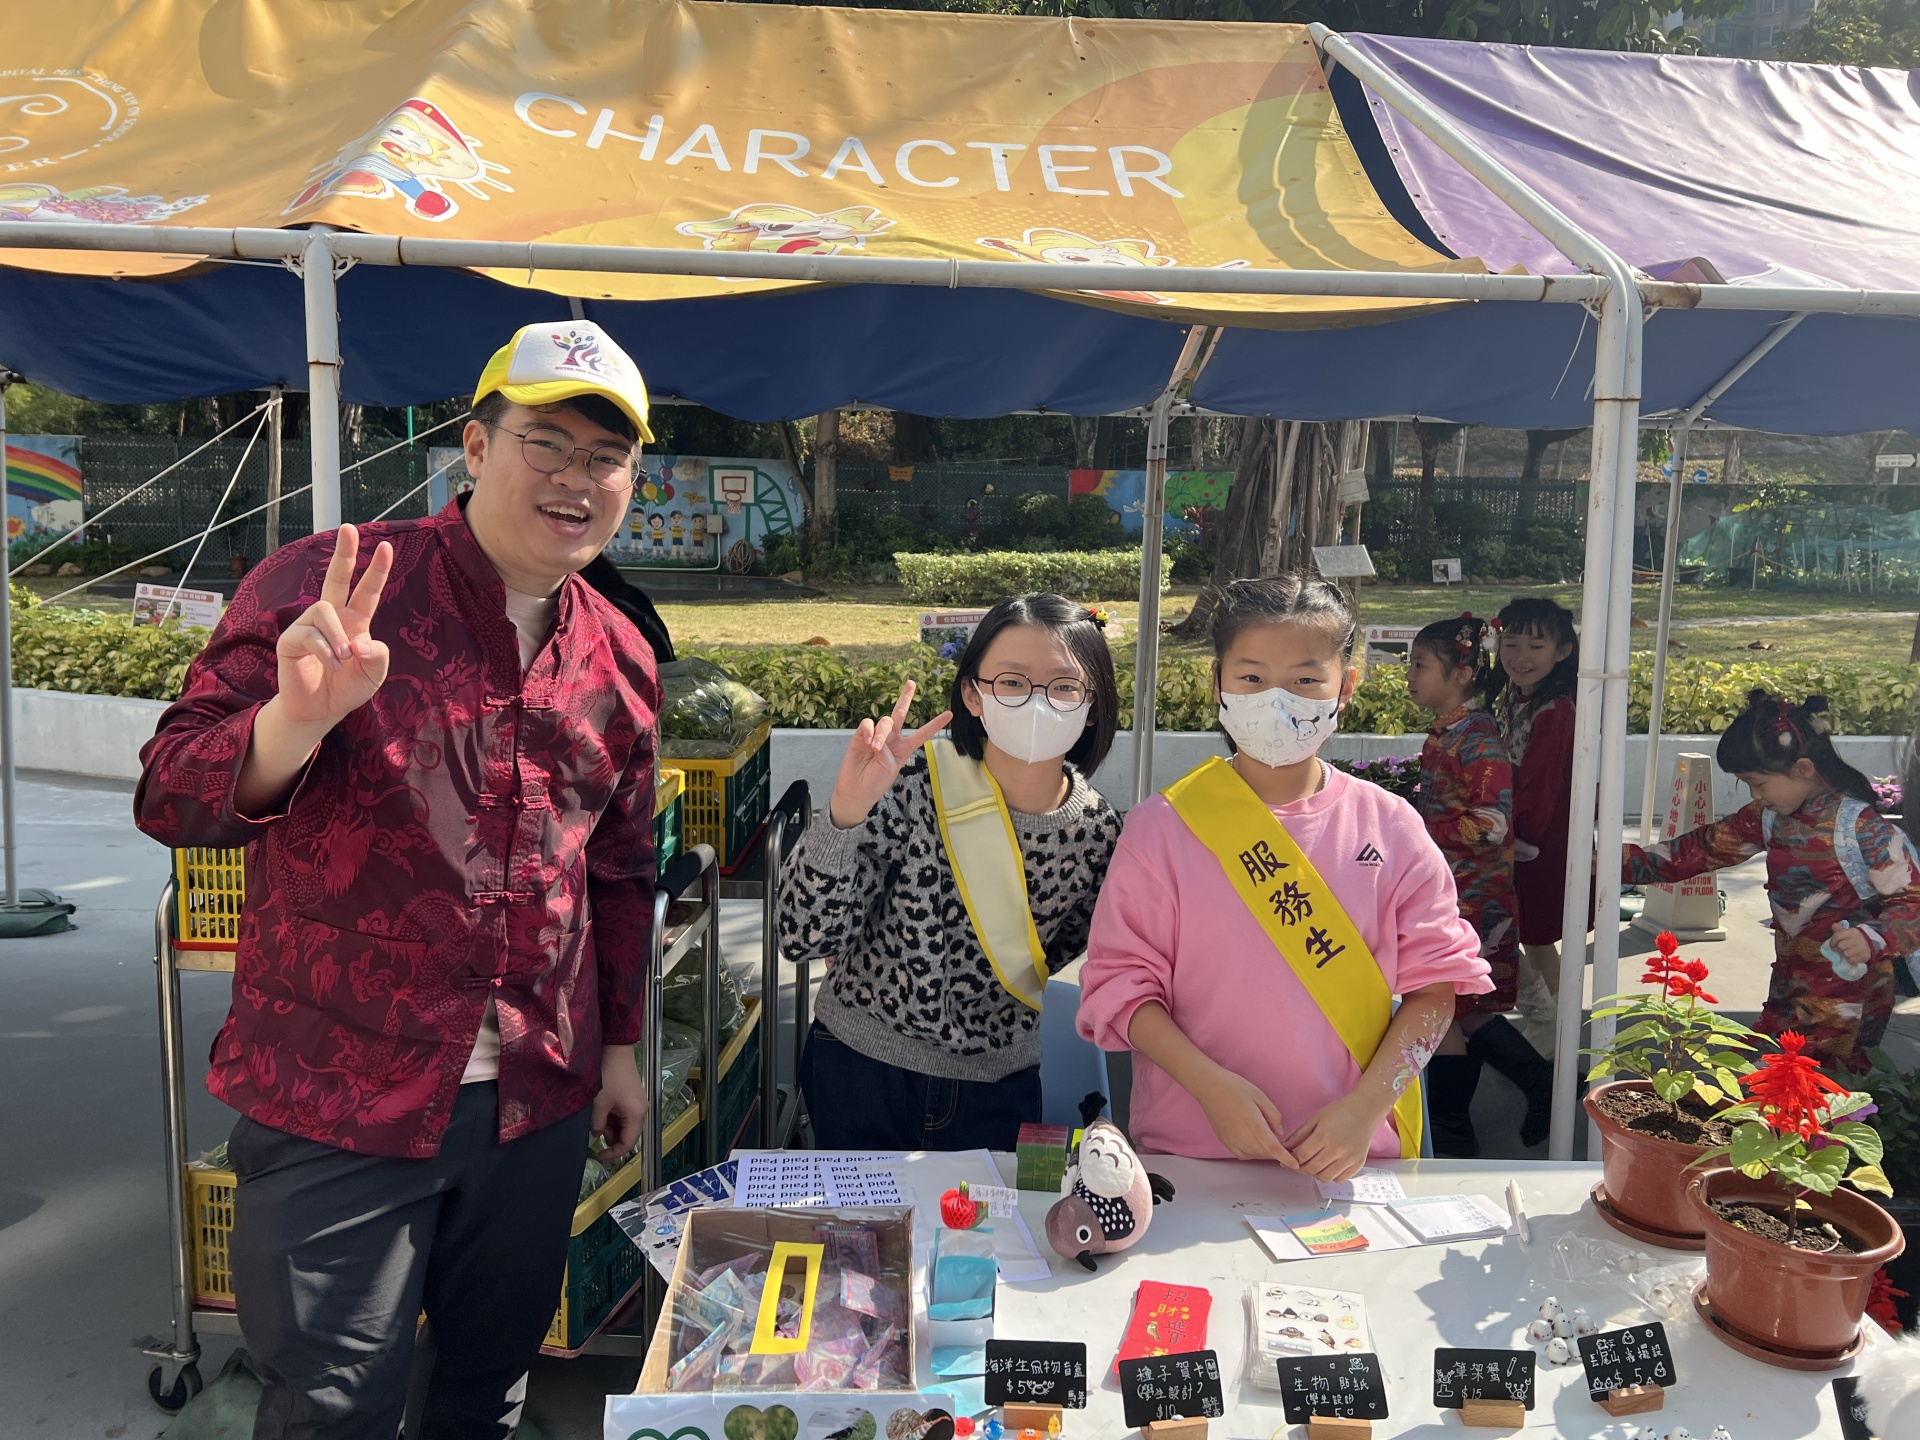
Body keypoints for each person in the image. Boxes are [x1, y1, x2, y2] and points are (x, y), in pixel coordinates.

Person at [134, 320, 662, 1440]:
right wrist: (292, 723)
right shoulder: (328, 587)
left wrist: (618, 1047)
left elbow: (618, 869)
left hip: (536, 1101)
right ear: (474, 447)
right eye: (547, 442)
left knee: (487, 1391)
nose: (575, 479)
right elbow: (171, 794)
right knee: (331, 1411)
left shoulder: (620, 653)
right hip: (337, 1095)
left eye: (605, 457)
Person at [1079, 576, 1490, 1182]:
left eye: (1303, 680)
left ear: (1345, 686)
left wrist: (1364, 1110)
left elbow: (1436, 991)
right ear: (1217, 682)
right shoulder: (1161, 829)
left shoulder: (1391, 825)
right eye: (1251, 677)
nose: (1276, 699)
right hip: (1191, 1154)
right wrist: (1209, 1087)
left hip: (1352, 1160)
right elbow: (1121, 986)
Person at [776, 594, 1123, 1152]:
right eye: (1012, 682)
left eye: (1063, 687)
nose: (1037, 703)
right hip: (862, 1067)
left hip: (999, 1086)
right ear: (972, 694)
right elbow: (801, 936)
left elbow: (1068, 961)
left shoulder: (1099, 832)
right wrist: (845, 813)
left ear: (1093, 704)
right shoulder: (909, 782)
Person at [1623, 690, 1920, 1071]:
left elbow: (1912, 903)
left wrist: (1872, 937)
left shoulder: (1864, 830)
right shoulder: (1767, 818)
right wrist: (1617, 864)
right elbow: (1699, 850)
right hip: (1787, 987)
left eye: (1758, 783)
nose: (1755, 795)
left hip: (1850, 1000)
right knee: (1771, 1073)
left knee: (1823, 1082)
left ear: (1804, 769)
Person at [1404, 613, 1553, 1155]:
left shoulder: (1479, 738)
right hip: (1451, 892)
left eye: (1420, 665)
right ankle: (1521, 1095)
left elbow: (1491, 824)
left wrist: (1417, 827)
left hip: (1473, 899)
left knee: (1453, 1005)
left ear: (1461, 674)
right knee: (1459, 1007)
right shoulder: (1451, 732)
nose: (1410, 676)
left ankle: (1458, 1132)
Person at [1494, 596, 1580, 1054]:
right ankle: (1556, 1026)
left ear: (1562, 651)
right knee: (1535, 936)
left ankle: (1555, 1028)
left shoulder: (1556, 710)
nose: (1520, 656)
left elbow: (1541, 786)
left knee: (1535, 934)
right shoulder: (1522, 697)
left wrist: (1516, 838)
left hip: (1540, 838)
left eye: (1536, 646)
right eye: (1511, 643)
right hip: (1526, 833)